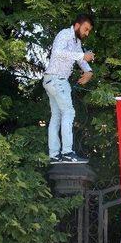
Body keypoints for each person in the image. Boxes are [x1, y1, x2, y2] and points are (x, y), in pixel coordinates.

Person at [43, 13, 96, 164]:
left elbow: (81, 60)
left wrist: (89, 71)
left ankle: (54, 155)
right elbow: (58, 52)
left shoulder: (76, 41)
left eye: (88, 31)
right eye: (85, 29)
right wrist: (82, 55)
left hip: (52, 80)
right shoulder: (64, 34)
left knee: (57, 116)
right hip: (57, 80)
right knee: (69, 112)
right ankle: (67, 153)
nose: (86, 33)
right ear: (77, 25)